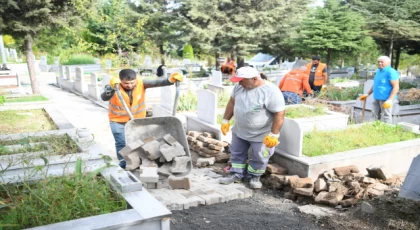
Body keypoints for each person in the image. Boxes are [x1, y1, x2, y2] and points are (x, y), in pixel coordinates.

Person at [219, 66, 285, 189]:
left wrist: (274, 134)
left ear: (254, 79)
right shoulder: (239, 87)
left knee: (260, 156)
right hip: (240, 130)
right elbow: (232, 102)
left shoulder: (271, 91)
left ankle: (254, 176)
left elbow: (279, 113)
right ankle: (236, 174)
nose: (239, 83)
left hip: (261, 134)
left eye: (242, 80)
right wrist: (225, 120)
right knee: (237, 153)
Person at [101, 69, 183, 169]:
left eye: (132, 82)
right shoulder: (114, 85)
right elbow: (104, 97)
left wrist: (170, 80)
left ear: (136, 79)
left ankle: (141, 163)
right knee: (121, 143)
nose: (129, 85)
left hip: (137, 121)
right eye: (126, 83)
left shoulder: (141, 83)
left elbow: (157, 82)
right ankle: (123, 164)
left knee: (140, 142)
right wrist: (113, 89)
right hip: (118, 121)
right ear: (120, 80)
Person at [359, 56, 399, 124]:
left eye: (382, 62)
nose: (380, 63)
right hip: (377, 97)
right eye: (379, 62)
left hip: (386, 98)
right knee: (374, 114)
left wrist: (390, 100)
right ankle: (374, 129)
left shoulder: (391, 72)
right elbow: (376, 84)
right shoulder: (378, 71)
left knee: (386, 116)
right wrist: (368, 94)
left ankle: (388, 131)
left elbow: (396, 87)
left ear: (388, 62)